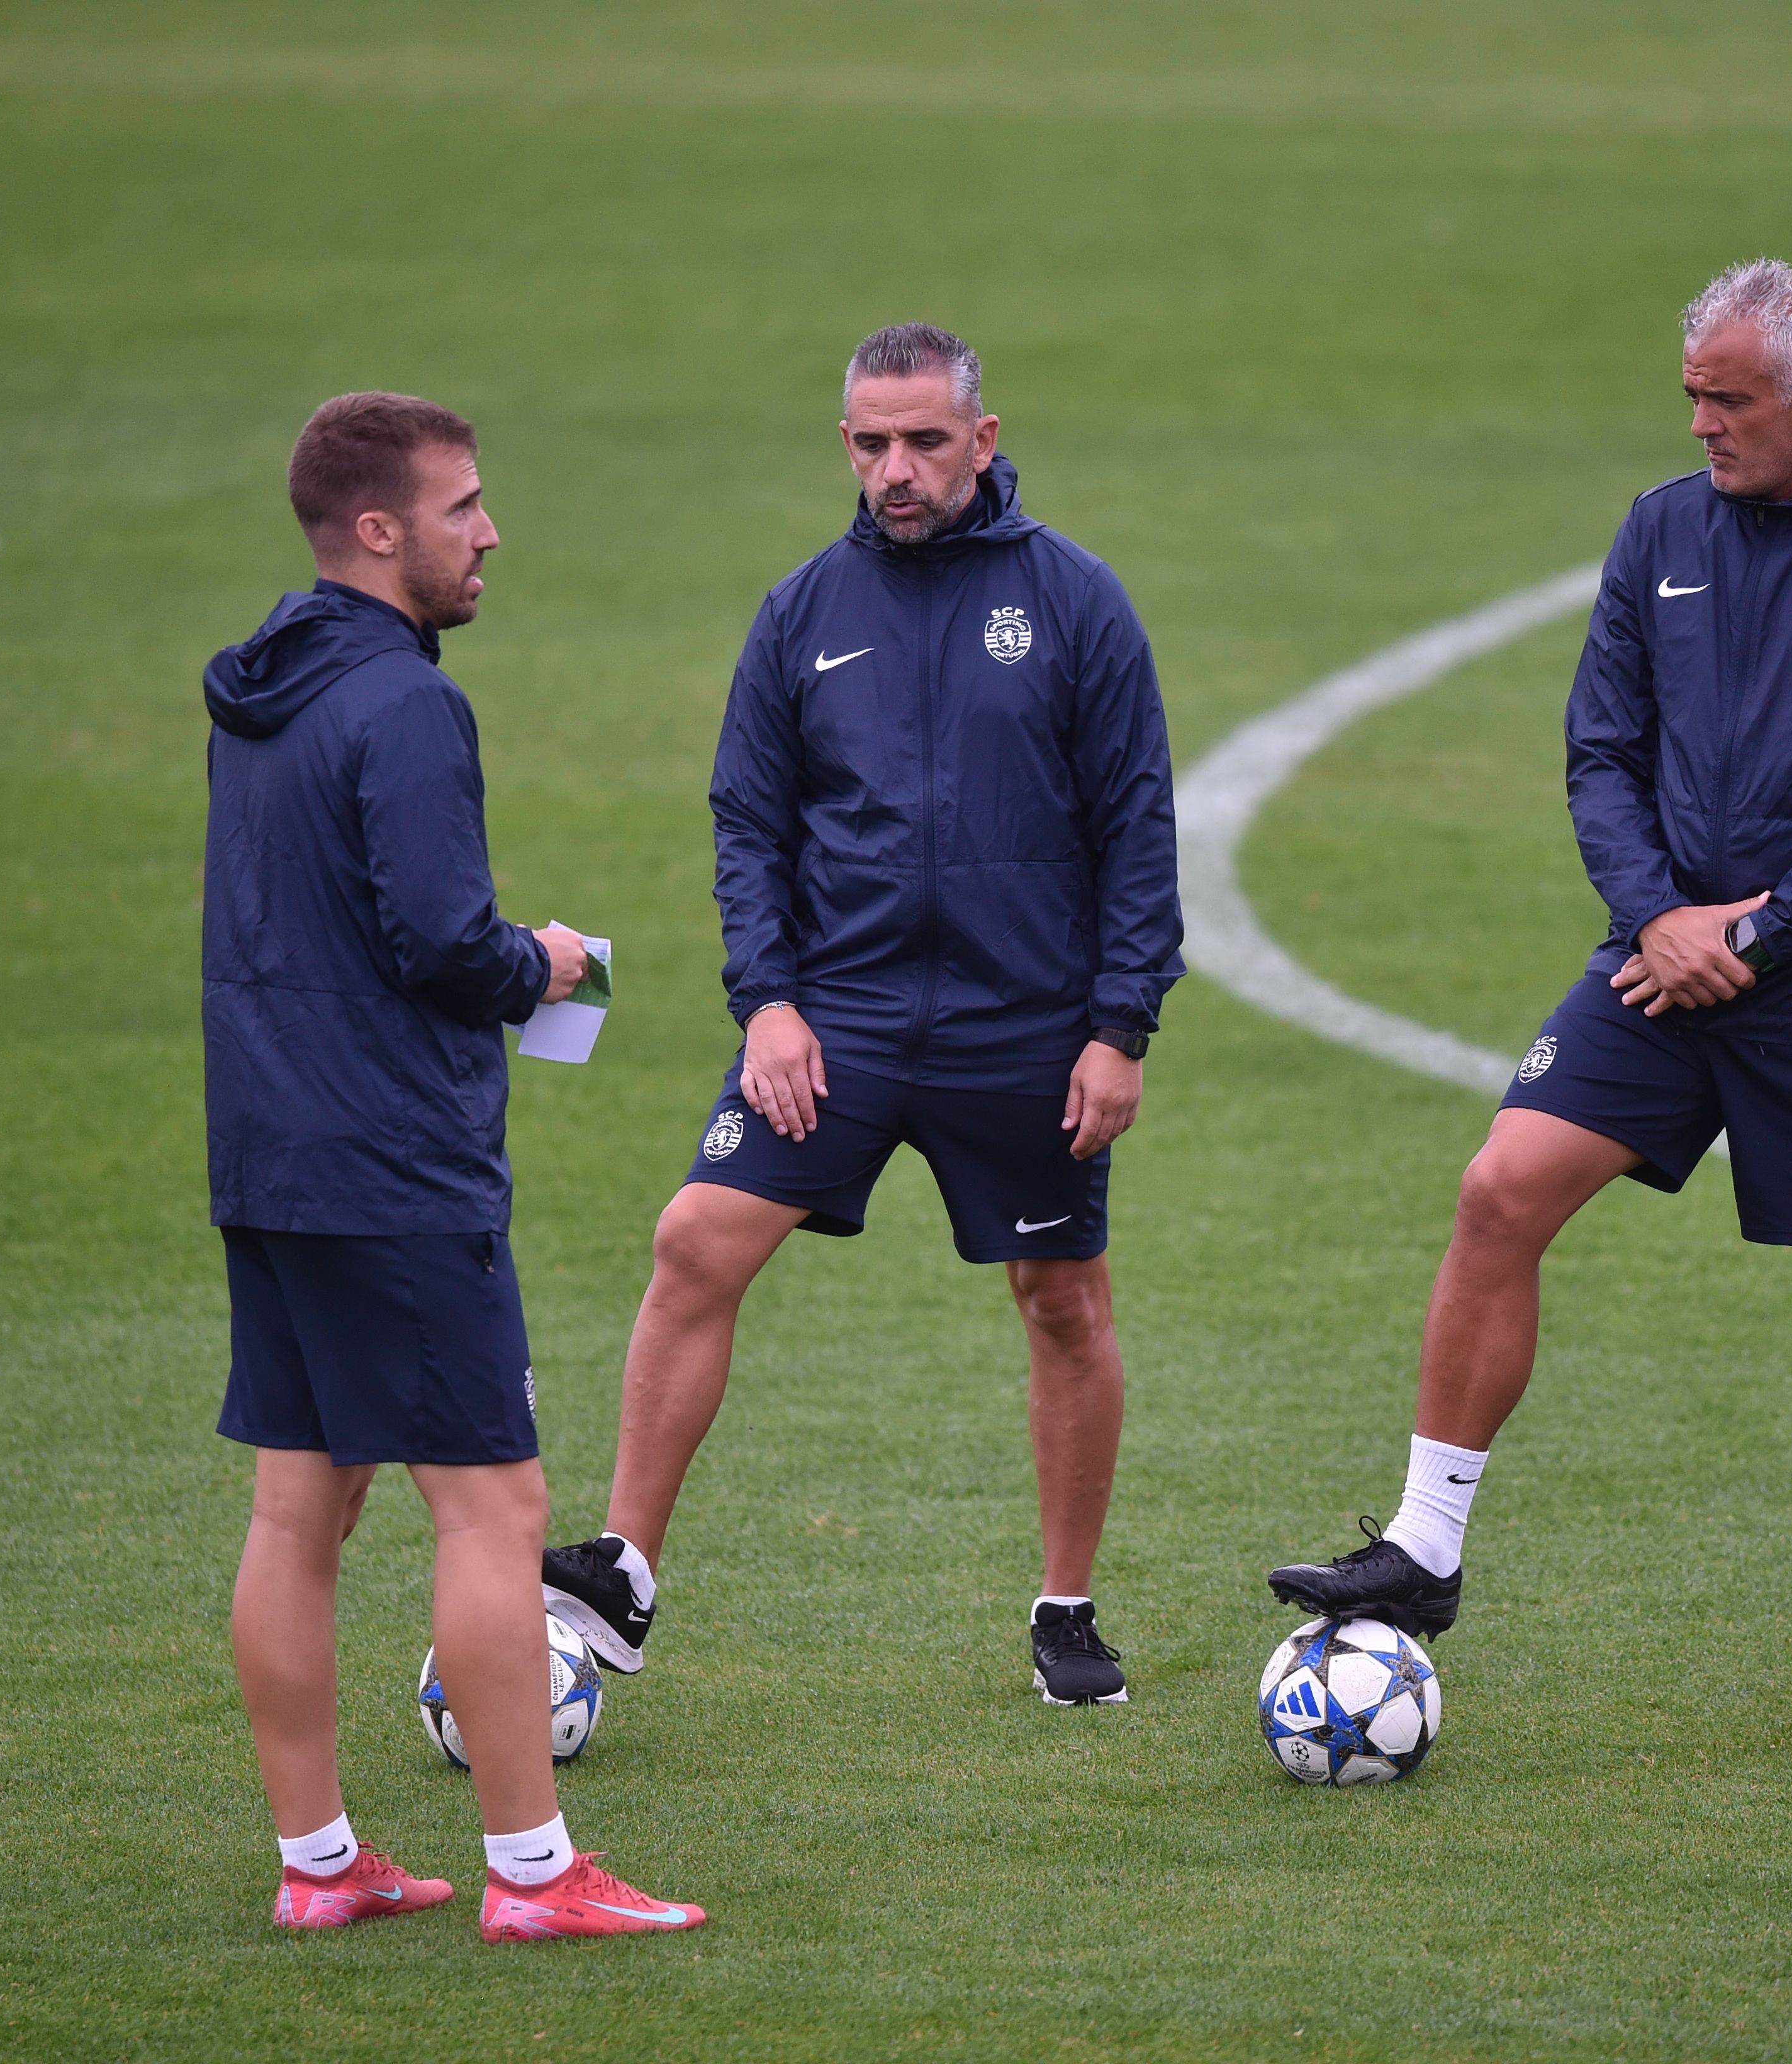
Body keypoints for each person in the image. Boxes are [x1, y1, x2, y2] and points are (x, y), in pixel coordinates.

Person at [1267, 259, 1792, 1752]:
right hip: (1657, 967)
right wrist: (1659, 918)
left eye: (1726, 402)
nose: (1701, 427)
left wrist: (1761, 930)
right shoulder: (1661, 530)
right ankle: (1426, 1542)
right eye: (1688, 399)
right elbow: (1599, 748)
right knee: (1500, 1187)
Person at [540, 325, 1182, 1707]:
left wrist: (1119, 1028)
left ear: (983, 437)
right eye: (868, 442)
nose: (895, 469)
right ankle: (624, 1570)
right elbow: (746, 822)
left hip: (1026, 1029)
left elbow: (1139, 827)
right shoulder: (801, 612)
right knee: (694, 1237)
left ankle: (1066, 1609)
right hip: (840, 1021)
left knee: (1062, 1299)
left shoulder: (1075, 603)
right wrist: (767, 1002)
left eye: (923, 442)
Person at [205, 391, 704, 1942]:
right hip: (391, 1166)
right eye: (463, 506)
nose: (489, 532)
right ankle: (538, 1876)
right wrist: (541, 961)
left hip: (269, 1152)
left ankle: (321, 1859)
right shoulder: (408, 705)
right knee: (493, 1508)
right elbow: (436, 938)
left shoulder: (263, 688)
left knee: (299, 1509)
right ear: (380, 529)